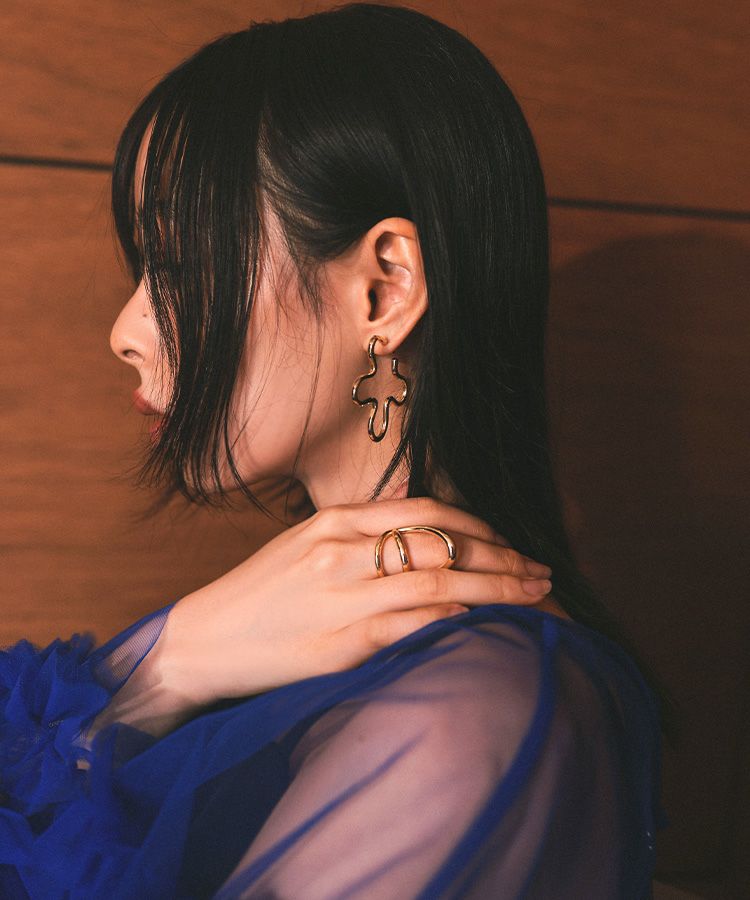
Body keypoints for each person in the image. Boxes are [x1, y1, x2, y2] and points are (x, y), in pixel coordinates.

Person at [0, 3, 672, 897]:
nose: (126, 331)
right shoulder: (278, 633)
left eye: (181, 264)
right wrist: (168, 661)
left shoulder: (469, 715)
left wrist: (162, 670)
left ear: (383, 291)